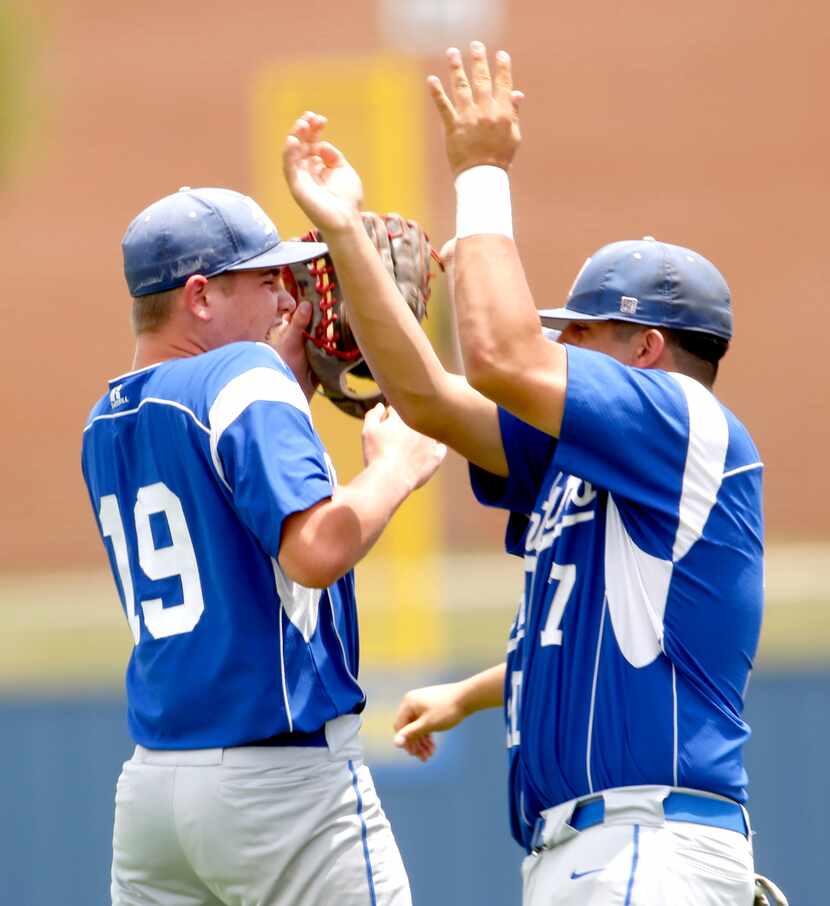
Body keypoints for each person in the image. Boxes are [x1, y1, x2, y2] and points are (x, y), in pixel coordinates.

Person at [281, 40, 764, 906]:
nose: (563, 346)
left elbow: (503, 357)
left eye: (582, 332)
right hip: (598, 849)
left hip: (646, 848)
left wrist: (480, 172)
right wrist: (345, 233)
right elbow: (428, 399)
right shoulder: (599, 458)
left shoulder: (690, 426)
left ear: (647, 350)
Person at [81, 185, 445, 906]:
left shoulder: (107, 415)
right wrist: (397, 469)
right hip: (281, 791)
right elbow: (312, 551)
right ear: (200, 297)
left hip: (155, 798)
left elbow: (224, 493)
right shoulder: (243, 380)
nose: (287, 300)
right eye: (265, 280)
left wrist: (285, 382)